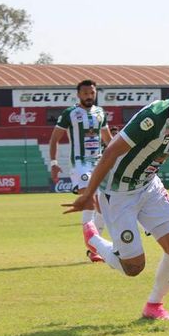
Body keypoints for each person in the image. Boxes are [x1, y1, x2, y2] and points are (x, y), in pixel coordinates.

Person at [62, 70, 169, 321]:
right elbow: (110, 152)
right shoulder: (153, 118)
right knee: (133, 268)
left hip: (149, 186)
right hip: (118, 192)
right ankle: (93, 237)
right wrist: (89, 194)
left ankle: (154, 306)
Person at [49, 79, 112, 262]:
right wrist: (53, 162)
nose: (89, 96)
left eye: (92, 93)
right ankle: (93, 246)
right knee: (90, 201)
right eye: (85, 93)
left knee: (103, 207)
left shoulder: (100, 113)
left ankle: (95, 249)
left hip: (99, 164)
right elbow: (54, 139)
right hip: (80, 164)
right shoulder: (70, 113)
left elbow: (108, 140)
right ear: (78, 95)